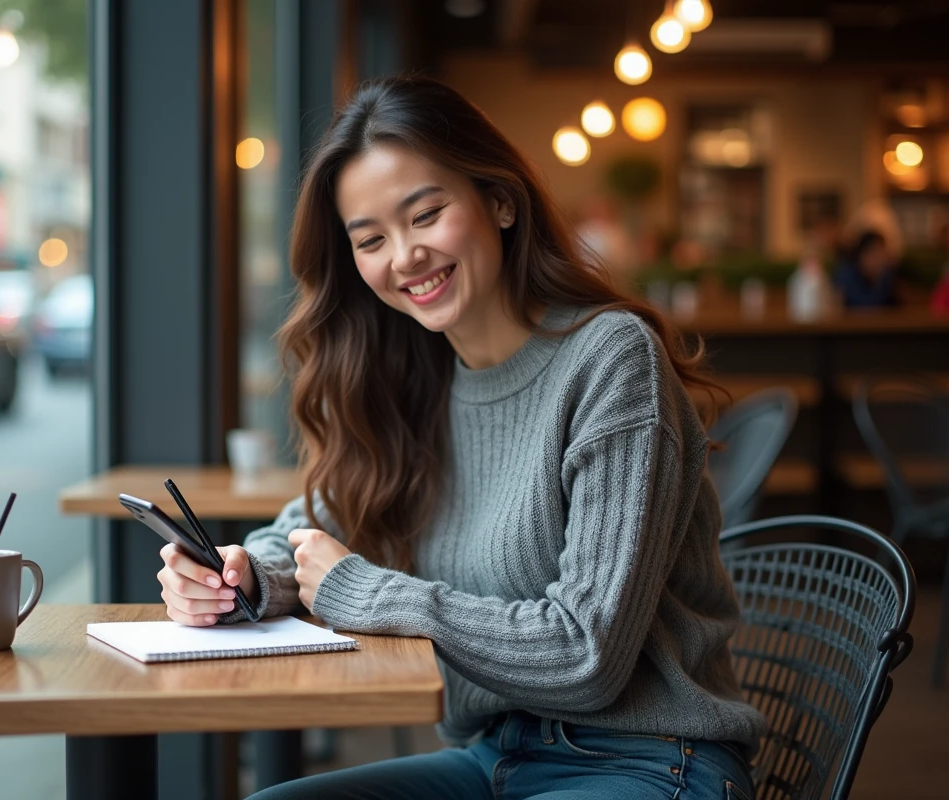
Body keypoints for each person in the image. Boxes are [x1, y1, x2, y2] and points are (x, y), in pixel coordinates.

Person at [157, 76, 766, 800]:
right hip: (496, 757)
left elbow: (588, 654)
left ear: (500, 200)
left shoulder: (610, 360)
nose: (405, 256)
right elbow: (311, 532)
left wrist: (367, 591)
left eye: (427, 214)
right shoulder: (415, 381)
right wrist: (241, 578)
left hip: (652, 761)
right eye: (372, 239)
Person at [834, 229, 898, 308]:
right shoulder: (846, 276)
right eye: (873, 253)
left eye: (881, 253)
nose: (879, 259)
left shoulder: (887, 278)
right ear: (861, 255)